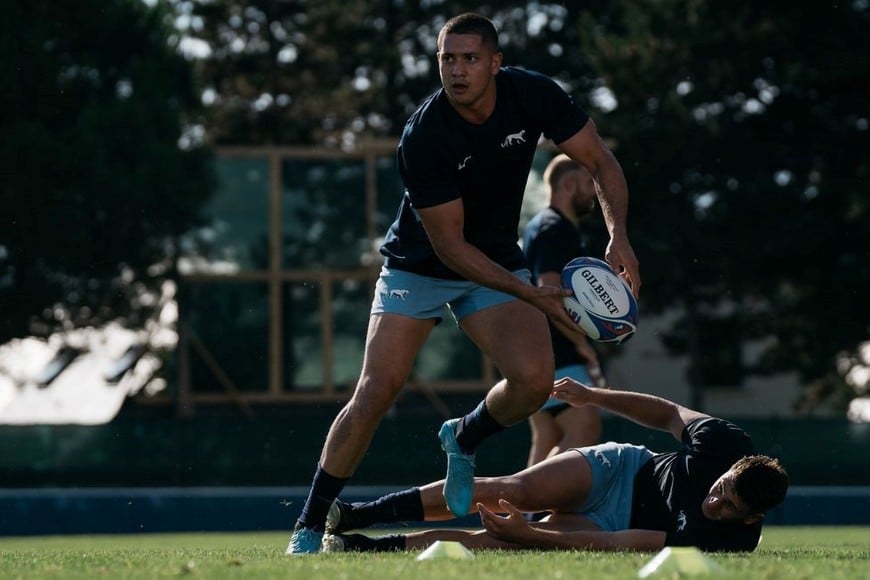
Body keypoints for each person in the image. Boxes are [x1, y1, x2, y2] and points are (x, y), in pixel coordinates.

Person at [287, 12, 641, 554]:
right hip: (419, 265)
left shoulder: (533, 95)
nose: (457, 70)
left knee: (532, 382)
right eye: (447, 59)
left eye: (470, 58)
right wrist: (527, 291)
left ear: (496, 64)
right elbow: (451, 247)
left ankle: (464, 436)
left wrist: (620, 239)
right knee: (376, 390)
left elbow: (599, 160)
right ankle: (310, 524)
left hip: (495, 256)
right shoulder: (425, 134)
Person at [320, 379, 789, 554]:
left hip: (614, 522)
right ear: (731, 468)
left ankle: (361, 548)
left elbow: (616, 541)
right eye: (721, 487)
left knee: (496, 543)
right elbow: (667, 414)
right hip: (622, 469)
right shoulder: (726, 444)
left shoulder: (728, 541)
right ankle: (357, 513)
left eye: (728, 507)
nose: (715, 501)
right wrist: (593, 396)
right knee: (515, 490)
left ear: (752, 518)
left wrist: (532, 536)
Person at [523, 154, 608, 469]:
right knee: (584, 427)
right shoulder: (555, 228)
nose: (594, 193)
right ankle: (541, 514)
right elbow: (549, 291)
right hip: (557, 352)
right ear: (569, 184)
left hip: (533, 350)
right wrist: (582, 345)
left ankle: (518, 513)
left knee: (547, 437)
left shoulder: (539, 226)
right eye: (589, 184)